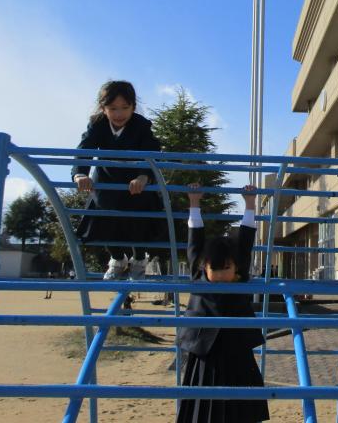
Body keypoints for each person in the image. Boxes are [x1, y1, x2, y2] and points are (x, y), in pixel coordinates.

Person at [176, 184, 269, 423]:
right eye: (214, 268)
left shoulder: (240, 275)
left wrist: (250, 203)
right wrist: (194, 202)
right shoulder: (197, 274)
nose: (219, 274)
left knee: (242, 408)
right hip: (204, 352)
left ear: (236, 267)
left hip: (237, 349)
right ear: (204, 266)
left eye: (226, 268)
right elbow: (195, 236)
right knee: (201, 405)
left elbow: (246, 238)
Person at [72, 80, 166, 280]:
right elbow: (85, 148)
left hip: (136, 180)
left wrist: (144, 175)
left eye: (125, 107)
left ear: (133, 106)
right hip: (107, 179)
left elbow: (152, 151)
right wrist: (80, 173)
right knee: (103, 219)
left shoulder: (141, 125)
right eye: (113, 108)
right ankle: (117, 258)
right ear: (103, 108)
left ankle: (139, 259)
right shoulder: (97, 124)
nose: (119, 114)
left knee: (139, 222)